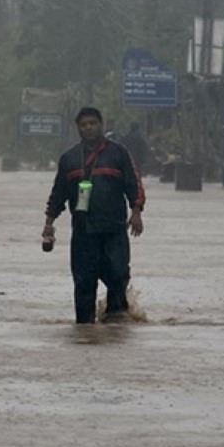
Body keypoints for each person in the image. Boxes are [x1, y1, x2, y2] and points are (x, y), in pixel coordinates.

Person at [42, 107, 145, 324]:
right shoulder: (69, 159)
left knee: (118, 276)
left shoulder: (118, 153)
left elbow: (134, 184)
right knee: (84, 283)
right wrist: (49, 224)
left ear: (101, 125)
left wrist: (136, 211)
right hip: (83, 231)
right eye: (84, 125)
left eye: (92, 123)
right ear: (78, 129)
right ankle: (84, 330)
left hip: (113, 229)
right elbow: (58, 194)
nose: (88, 128)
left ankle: (116, 325)